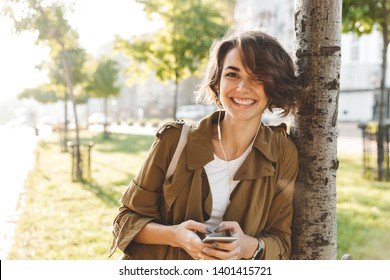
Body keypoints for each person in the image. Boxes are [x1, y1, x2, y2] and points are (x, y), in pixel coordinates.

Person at [109, 30, 302, 260]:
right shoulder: (174, 141)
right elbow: (125, 220)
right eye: (232, 74)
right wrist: (175, 235)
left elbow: (281, 241)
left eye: (257, 77)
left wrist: (246, 246)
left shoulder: (282, 153)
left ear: (274, 85)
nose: (242, 88)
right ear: (217, 82)